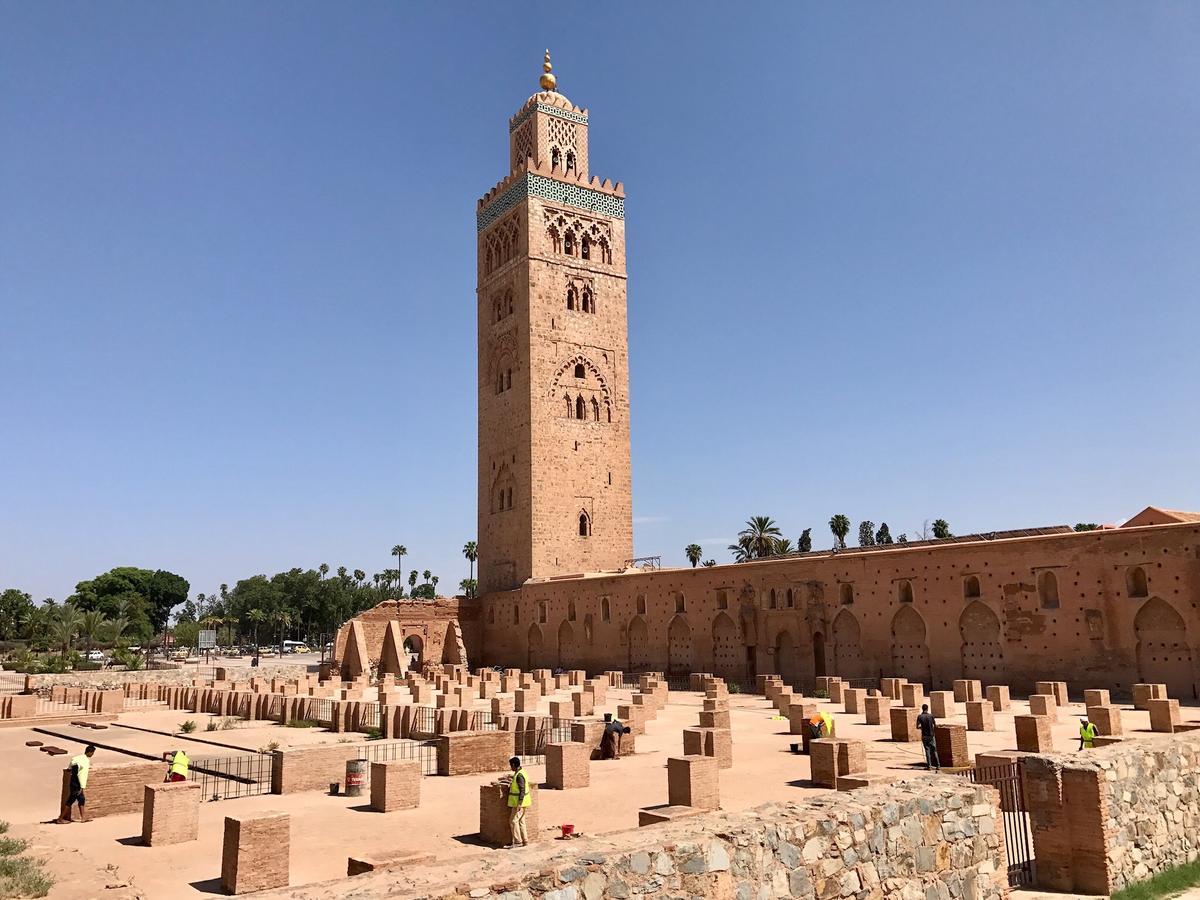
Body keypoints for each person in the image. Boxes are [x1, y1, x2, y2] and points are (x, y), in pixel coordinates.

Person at [56, 744, 95, 823]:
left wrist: (69, 769)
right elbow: (82, 775)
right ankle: (60, 818)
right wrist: (82, 787)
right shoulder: (86, 761)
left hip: (72, 781)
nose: (92, 754)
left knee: (81, 799)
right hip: (77, 783)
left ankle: (83, 818)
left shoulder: (76, 758)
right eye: (92, 753)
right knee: (71, 800)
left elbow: (70, 767)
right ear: (90, 752)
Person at [503, 755, 531, 848]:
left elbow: (522, 790)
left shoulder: (519, 776)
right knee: (521, 821)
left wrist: (519, 804)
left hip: (519, 803)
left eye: (511, 765)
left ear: (514, 765)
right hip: (524, 802)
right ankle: (525, 840)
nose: (511, 767)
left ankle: (517, 841)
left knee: (513, 821)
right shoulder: (521, 772)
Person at [916, 704, 940, 771]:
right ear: (927, 708)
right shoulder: (931, 716)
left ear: (922, 709)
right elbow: (935, 725)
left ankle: (929, 766)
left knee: (927, 750)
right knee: (934, 750)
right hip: (931, 735)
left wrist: (922, 728)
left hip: (924, 736)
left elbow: (917, 726)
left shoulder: (920, 716)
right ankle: (938, 765)